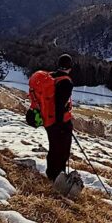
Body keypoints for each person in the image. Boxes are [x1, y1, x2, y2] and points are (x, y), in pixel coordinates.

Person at [45, 53, 75, 183]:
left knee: (53, 148)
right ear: (70, 67)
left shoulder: (50, 77)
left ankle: (51, 174)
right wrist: (61, 125)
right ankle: (58, 179)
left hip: (48, 120)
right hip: (60, 122)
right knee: (62, 151)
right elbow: (59, 105)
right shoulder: (66, 82)